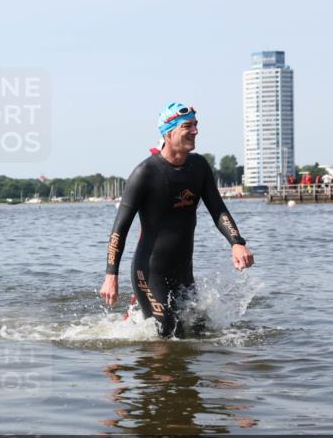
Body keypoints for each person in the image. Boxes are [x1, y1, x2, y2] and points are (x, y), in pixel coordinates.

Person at [100, 102, 254, 337]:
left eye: (196, 125)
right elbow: (119, 230)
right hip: (150, 271)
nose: (195, 131)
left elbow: (218, 209)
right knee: (166, 332)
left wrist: (237, 242)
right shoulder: (145, 173)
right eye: (187, 126)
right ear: (168, 133)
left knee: (199, 331)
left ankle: (136, 320)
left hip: (183, 272)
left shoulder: (199, 167)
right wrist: (111, 276)